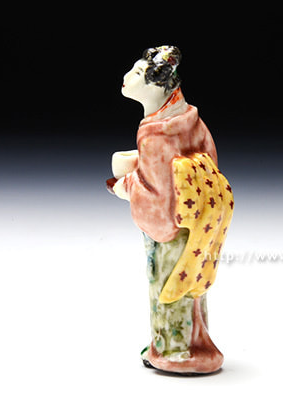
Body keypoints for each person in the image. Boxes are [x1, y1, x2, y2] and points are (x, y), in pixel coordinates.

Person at [107, 46, 234, 374]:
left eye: (138, 73)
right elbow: (200, 161)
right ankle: (194, 342)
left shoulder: (154, 133)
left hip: (171, 226)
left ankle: (173, 350)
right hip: (197, 222)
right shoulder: (188, 118)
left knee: (168, 284)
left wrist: (123, 186)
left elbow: (157, 192)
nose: (128, 77)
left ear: (158, 86)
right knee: (191, 282)